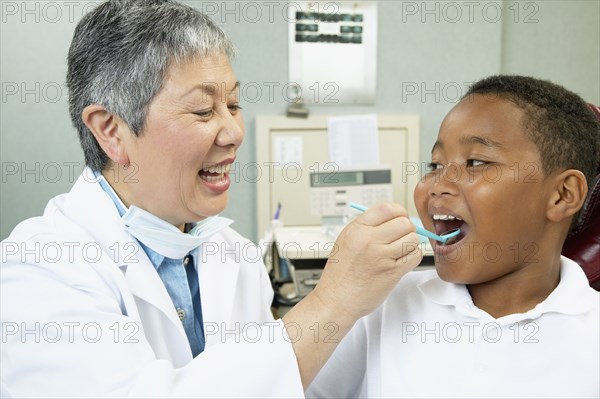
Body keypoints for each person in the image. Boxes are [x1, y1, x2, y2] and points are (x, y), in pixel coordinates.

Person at [0, 1, 423, 397]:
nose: (235, 132)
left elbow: (272, 382)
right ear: (111, 130)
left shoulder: (234, 257)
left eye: (233, 104)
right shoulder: (41, 267)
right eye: (203, 111)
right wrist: (334, 299)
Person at [306, 75, 600, 398]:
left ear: (562, 195)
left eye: (475, 162)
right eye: (435, 164)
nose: (436, 184)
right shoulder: (380, 306)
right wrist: (332, 300)